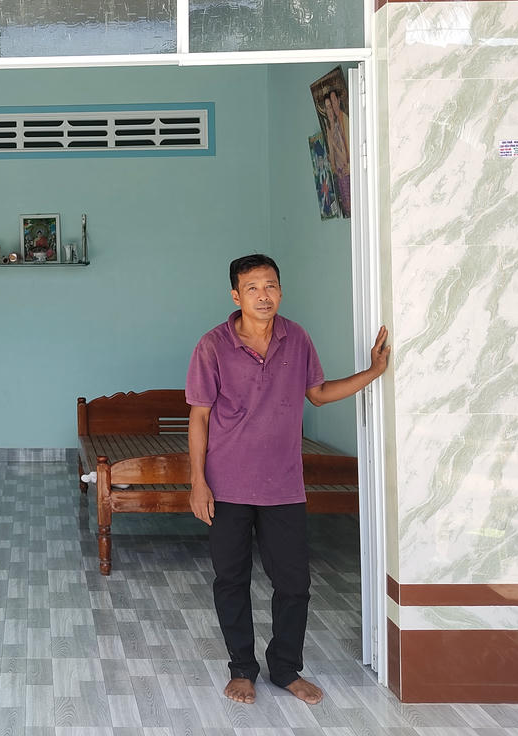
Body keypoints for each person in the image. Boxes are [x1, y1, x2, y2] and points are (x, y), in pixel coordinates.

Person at [185, 254, 389, 706]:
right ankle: (242, 669)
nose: (264, 296)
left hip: (283, 485)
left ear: (281, 290)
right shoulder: (212, 346)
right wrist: (198, 482)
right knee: (231, 579)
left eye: (271, 286)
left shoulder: (296, 338)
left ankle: (285, 668)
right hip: (227, 484)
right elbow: (198, 417)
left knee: (294, 583)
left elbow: (318, 393)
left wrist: (373, 373)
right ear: (235, 296)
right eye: (252, 288)